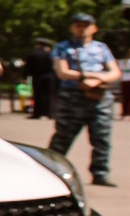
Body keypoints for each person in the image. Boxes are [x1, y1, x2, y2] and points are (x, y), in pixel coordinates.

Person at [49, 10, 118, 187]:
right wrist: (85, 78)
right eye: (78, 25)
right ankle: (50, 170)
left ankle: (100, 172)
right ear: (72, 28)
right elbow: (62, 72)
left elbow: (115, 72)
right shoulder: (63, 47)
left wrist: (95, 80)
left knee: (101, 137)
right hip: (73, 97)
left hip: (99, 97)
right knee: (63, 136)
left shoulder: (101, 48)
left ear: (94, 28)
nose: (82, 29)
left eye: (86, 26)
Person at [25, 38, 58, 120]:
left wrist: (25, 76)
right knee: (50, 95)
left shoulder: (33, 54)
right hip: (50, 77)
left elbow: (28, 67)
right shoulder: (51, 54)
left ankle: (37, 114)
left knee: (37, 95)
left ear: (38, 45)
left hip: (37, 77)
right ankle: (51, 113)